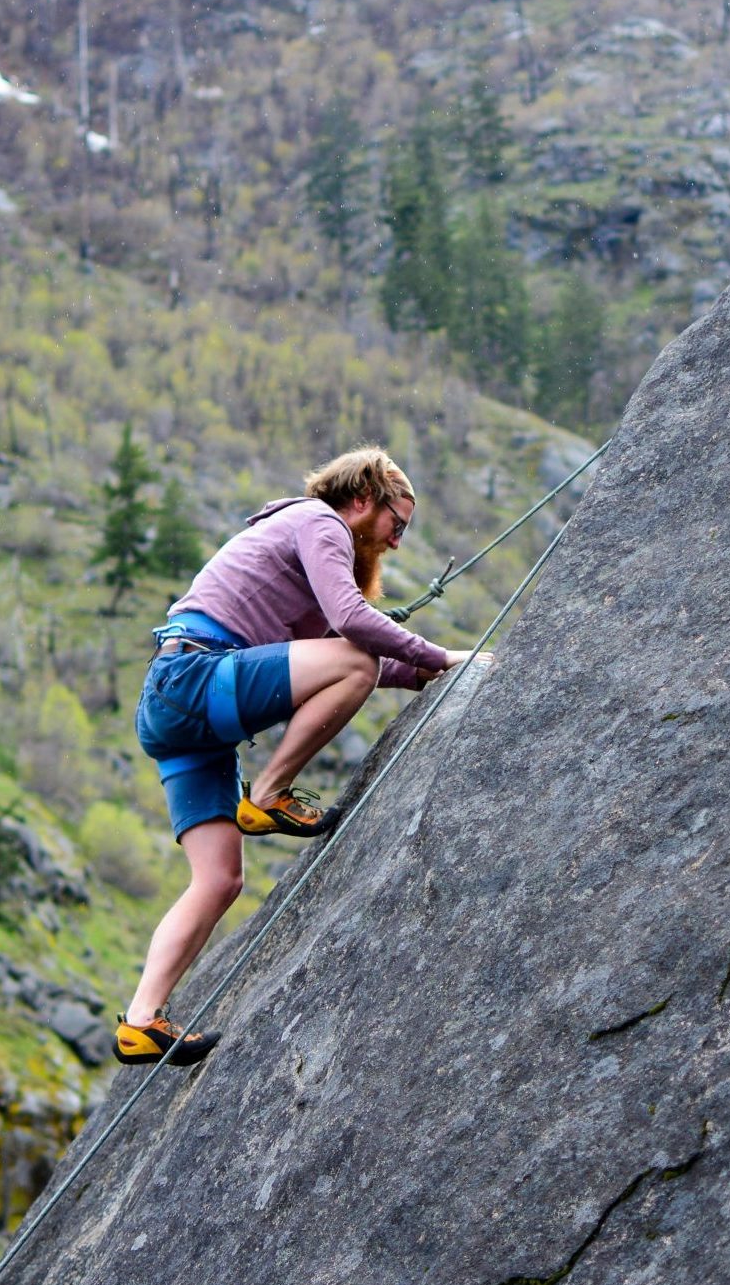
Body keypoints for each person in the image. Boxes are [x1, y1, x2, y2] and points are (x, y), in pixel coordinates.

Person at [115, 446, 481, 1067]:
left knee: (220, 879)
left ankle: (141, 1019)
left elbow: (334, 650)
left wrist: (425, 670)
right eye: (399, 524)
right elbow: (351, 632)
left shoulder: (298, 545)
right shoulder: (321, 523)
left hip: (177, 712)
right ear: (364, 500)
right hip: (197, 680)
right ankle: (269, 794)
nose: (396, 542)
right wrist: (440, 655)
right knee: (355, 660)